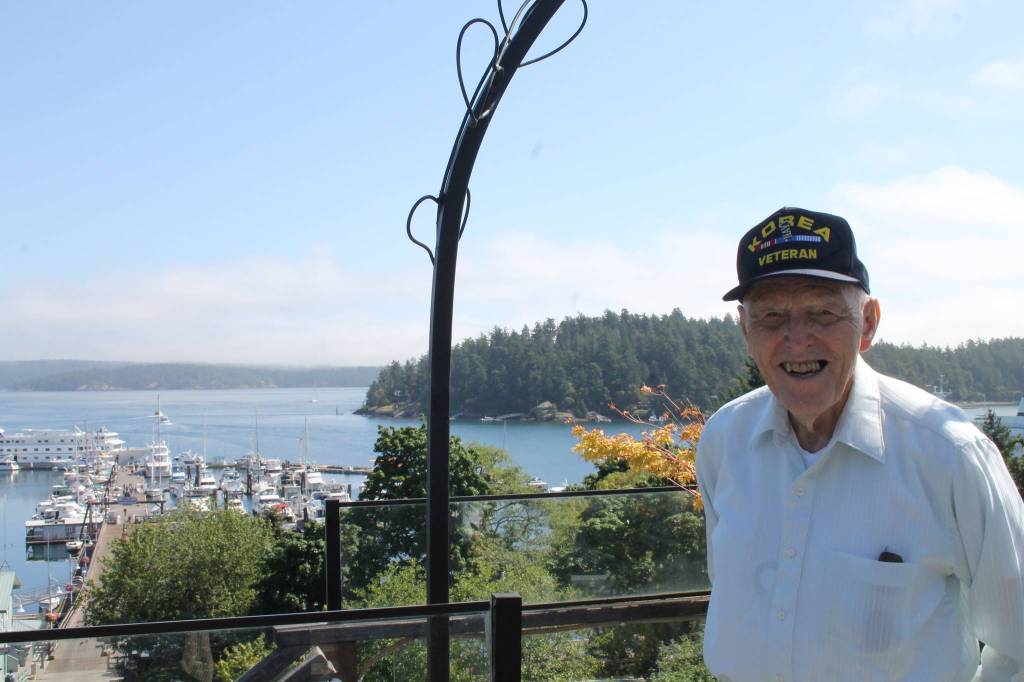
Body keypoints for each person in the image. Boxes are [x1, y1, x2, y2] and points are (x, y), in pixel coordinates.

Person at [696, 207, 1024, 681]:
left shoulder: (949, 454)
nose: (797, 339)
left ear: (868, 323)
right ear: (745, 329)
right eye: (771, 316)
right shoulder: (724, 440)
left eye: (823, 312)